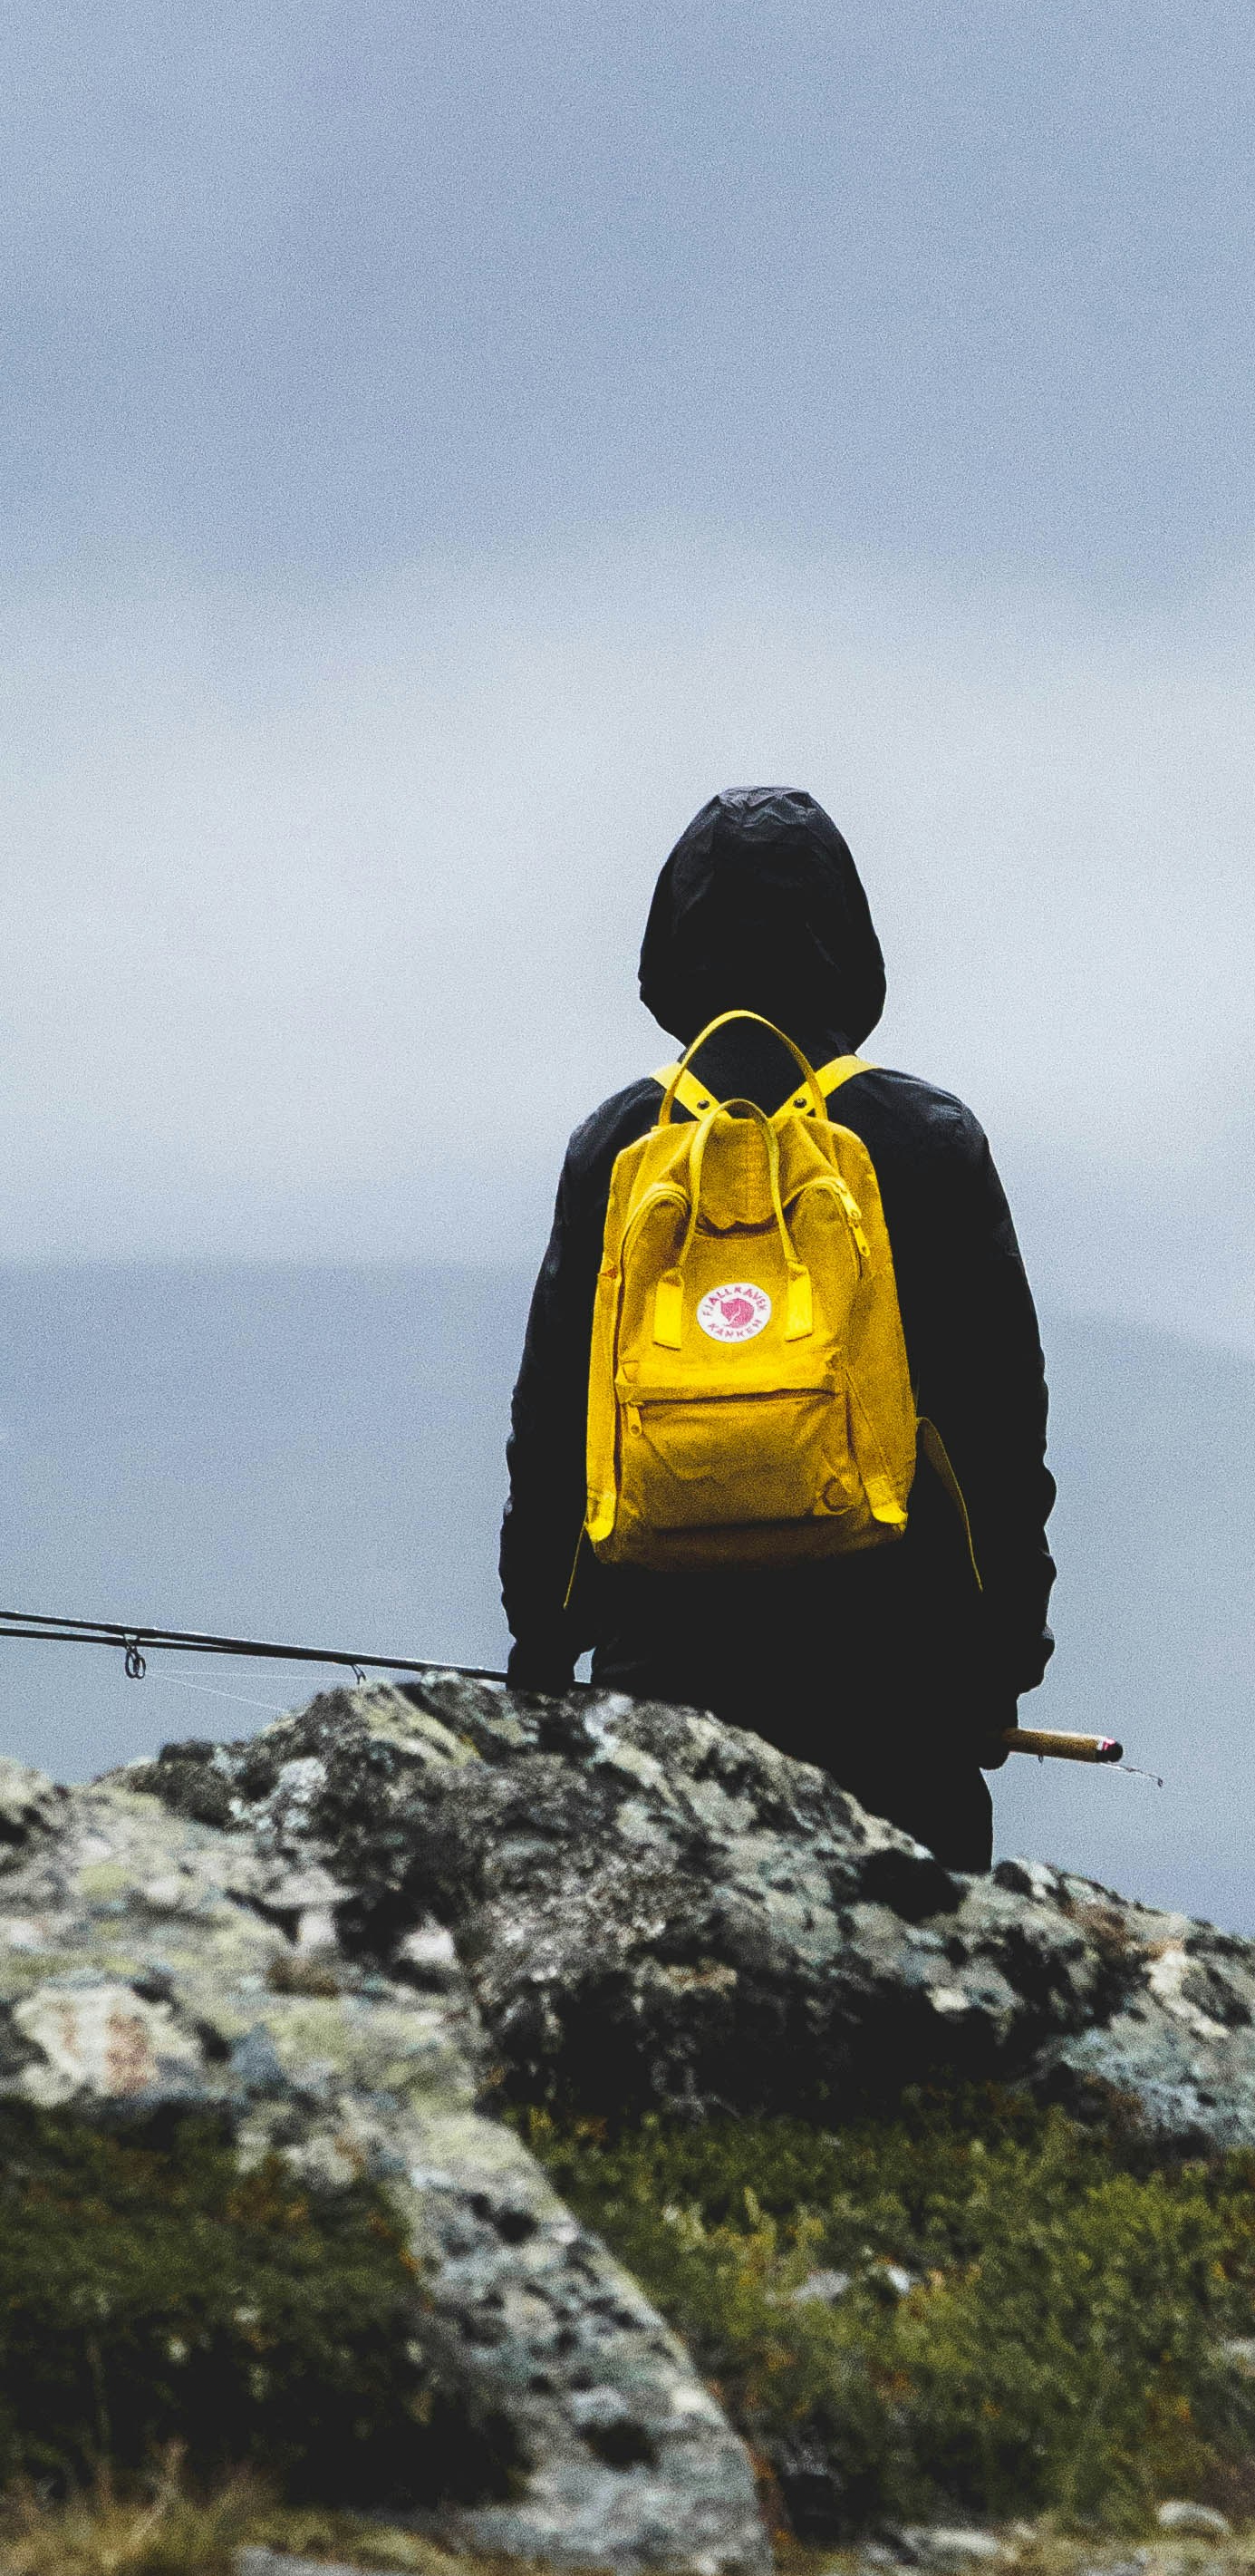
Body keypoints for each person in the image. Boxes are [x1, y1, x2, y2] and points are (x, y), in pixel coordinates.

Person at [500, 784, 1055, 1872]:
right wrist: (995, 1665)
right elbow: (997, 1431)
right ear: (846, 940)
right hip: (894, 1691)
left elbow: (556, 1424)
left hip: (660, 1680)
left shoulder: (618, 1143)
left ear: (671, 942)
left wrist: (545, 1640)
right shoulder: (926, 1139)